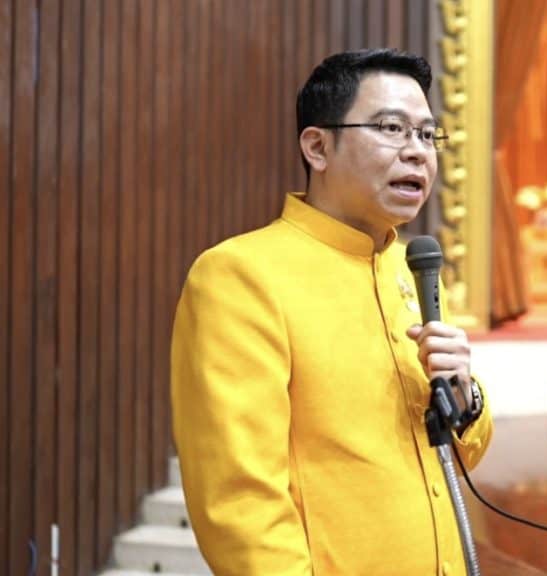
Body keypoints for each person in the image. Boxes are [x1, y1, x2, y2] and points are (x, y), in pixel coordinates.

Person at [170, 49, 493, 576]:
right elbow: (240, 505)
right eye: (392, 128)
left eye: (426, 134)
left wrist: (466, 398)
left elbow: (457, 459)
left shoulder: (412, 270)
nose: (417, 152)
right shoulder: (241, 276)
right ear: (318, 147)